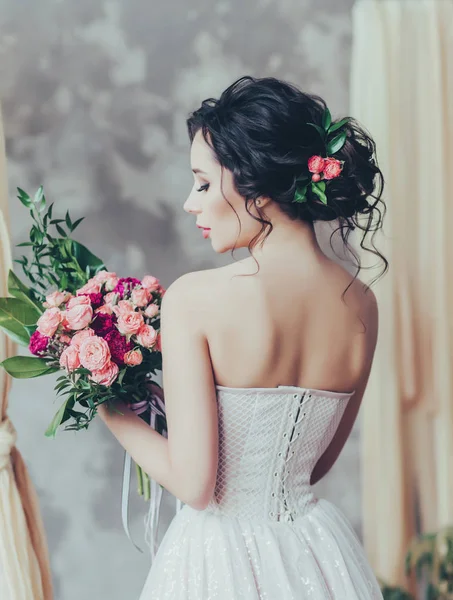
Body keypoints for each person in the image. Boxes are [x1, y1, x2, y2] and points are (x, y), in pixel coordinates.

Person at [98, 75, 387, 599]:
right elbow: (315, 465)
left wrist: (112, 410)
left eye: (204, 184)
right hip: (314, 554)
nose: (191, 204)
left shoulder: (196, 299)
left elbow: (196, 487)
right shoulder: (361, 303)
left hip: (219, 558)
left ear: (260, 185)